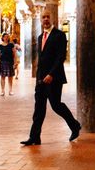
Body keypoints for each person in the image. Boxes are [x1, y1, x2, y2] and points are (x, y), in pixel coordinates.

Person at [21, 10, 81, 145]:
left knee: (56, 105)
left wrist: (51, 74)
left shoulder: (59, 35)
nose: (46, 19)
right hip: (41, 79)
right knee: (39, 108)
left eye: (48, 17)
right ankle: (34, 136)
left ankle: (75, 126)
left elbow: (60, 58)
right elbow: (41, 60)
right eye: (43, 17)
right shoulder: (40, 36)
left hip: (54, 78)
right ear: (41, 20)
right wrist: (39, 77)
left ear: (52, 19)